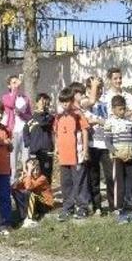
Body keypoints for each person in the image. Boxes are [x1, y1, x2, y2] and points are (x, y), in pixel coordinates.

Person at [104, 95, 132, 223]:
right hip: (118, 158)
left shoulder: (129, 122)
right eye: (119, 109)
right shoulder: (109, 122)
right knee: (119, 185)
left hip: (130, 157)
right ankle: (120, 212)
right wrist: (116, 152)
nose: (122, 112)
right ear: (113, 109)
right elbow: (107, 141)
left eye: (124, 109)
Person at [55, 87, 90, 221]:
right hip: (64, 156)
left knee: (80, 182)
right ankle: (68, 208)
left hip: (77, 155)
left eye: (67, 101)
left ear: (72, 100)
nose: (65, 104)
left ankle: (82, 207)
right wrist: (57, 148)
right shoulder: (58, 117)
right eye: (62, 101)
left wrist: (85, 151)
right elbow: (56, 134)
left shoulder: (77, 115)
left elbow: (85, 131)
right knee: (66, 183)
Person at [82, 75, 113, 215]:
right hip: (92, 143)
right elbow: (87, 120)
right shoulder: (84, 101)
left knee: (110, 176)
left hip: (105, 144)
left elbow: (108, 121)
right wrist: (96, 121)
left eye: (101, 88)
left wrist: (99, 121)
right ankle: (97, 206)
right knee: (93, 177)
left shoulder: (105, 103)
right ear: (88, 88)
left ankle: (114, 206)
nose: (99, 90)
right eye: (96, 87)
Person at [1, 74, 32, 182]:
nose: (16, 85)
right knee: (13, 160)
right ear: (9, 85)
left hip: (24, 130)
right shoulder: (6, 97)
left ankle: (26, 182)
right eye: (13, 83)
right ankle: (12, 182)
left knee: (26, 157)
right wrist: (15, 90)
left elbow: (29, 115)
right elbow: (10, 104)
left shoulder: (25, 98)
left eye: (17, 82)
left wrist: (21, 114)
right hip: (13, 131)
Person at [24, 93, 55, 183]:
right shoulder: (31, 119)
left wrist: (41, 112)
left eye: (45, 101)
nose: (43, 103)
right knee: (35, 173)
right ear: (36, 103)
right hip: (35, 151)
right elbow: (25, 131)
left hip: (47, 151)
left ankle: (46, 195)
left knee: (46, 174)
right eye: (41, 101)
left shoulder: (49, 117)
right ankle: (36, 195)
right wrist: (30, 143)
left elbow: (42, 123)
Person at [14, 159, 53, 228]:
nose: (35, 172)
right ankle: (23, 216)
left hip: (45, 204)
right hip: (35, 202)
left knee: (30, 194)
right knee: (17, 192)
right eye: (33, 170)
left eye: (37, 169)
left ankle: (29, 219)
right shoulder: (28, 177)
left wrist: (28, 172)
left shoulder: (42, 178)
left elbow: (29, 187)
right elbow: (14, 188)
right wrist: (19, 180)